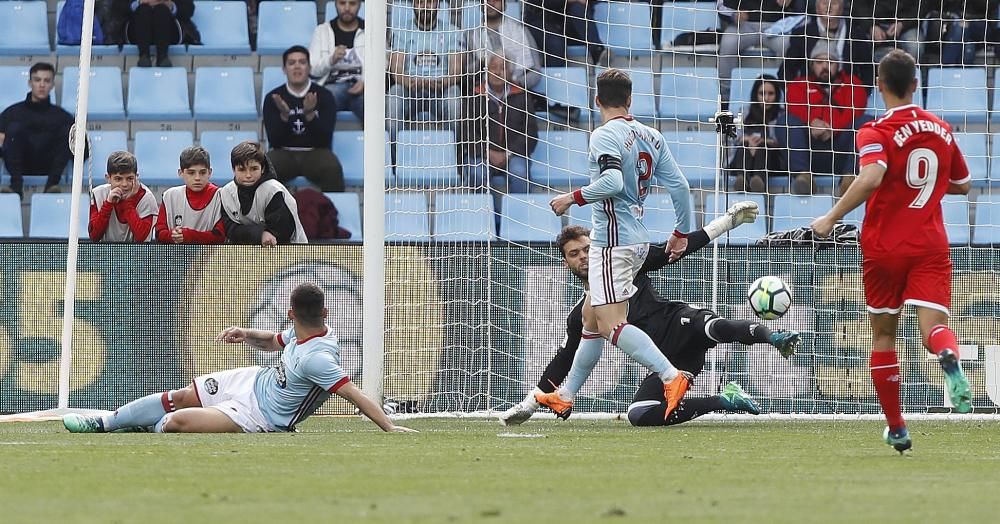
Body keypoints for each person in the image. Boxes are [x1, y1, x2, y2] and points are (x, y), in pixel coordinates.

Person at [811, 50, 973, 453]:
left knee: (884, 336)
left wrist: (830, 217)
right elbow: (963, 184)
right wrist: (929, 183)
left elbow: (873, 175)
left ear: (880, 85)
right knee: (931, 328)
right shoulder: (941, 129)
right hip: (930, 244)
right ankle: (948, 355)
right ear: (916, 85)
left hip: (883, 247)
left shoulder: (875, 130)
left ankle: (898, 428)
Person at [500, 219, 801, 426]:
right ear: (566, 263)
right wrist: (530, 403)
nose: (583, 257)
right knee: (639, 414)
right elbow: (563, 360)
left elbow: (676, 251)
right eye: (574, 254)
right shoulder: (584, 312)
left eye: (588, 249)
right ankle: (726, 399)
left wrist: (726, 223)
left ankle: (773, 337)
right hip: (671, 359)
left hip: (679, 322)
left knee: (712, 327)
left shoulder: (624, 266)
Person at [64, 283, 416, 434]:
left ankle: (142, 423)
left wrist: (388, 426)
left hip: (260, 415)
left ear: (291, 313)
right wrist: (245, 333)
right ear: (324, 311)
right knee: (180, 396)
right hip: (252, 380)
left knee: (173, 423)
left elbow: (355, 395)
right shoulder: (305, 332)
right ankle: (107, 423)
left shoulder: (318, 359)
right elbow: (273, 342)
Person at [545, 69, 694, 421]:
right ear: (630, 100)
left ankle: (671, 377)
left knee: (612, 325)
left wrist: (572, 198)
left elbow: (611, 180)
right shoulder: (651, 136)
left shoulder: (604, 135)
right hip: (637, 238)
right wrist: (681, 232)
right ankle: (565, 394)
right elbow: (681, 188)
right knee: (591, 318)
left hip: (613, 243)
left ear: (597, 101)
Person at [784, 41, 868, 195]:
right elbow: (795, 108)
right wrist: (812, 123)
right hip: (810, 149)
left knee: (866, 122)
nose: (824, 66)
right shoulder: (798, 85)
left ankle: (850, 178)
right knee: (785, 121)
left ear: (838, 65)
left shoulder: (853, 84)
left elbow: (855, 111)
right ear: (811, 65)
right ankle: (804, 176)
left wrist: (832, 129)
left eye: (830, 62)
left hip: (841, 150)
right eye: (819, 62)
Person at [263, 46, 345, 193]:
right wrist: (284, 116)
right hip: (284, 153)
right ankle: (267, 214)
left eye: (302, 62)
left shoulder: (324, 96)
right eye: (291, 63)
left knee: (332, 168)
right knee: (264, 168)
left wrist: (309, 115)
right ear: (284, 69)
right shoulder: (273, 97)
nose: (297, 67)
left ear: (309, 68)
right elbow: (274, 140)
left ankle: (331, 214)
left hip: (315, 153)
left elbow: (325, 139)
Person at [461, 54, 537, 201]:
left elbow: (531, 133)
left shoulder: (521, 96)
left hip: (513, 155)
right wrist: (487, 152)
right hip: (482, 154)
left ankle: (517, 219)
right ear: (486, 71)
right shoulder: (475, 95)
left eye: (502, 68)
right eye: (493, 68)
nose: (497, 72)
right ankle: (487, 219)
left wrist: (507, 154)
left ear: (510, 73)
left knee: (519, 173)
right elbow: (467, 132)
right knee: (477, 173)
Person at [0, 62, 80, 197]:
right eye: (37, 80)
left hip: (50, 166)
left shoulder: (62, 116)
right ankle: (16, 188)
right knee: (14, 129)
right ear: (30, 83)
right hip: (20, 164)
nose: (42, 85)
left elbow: (82, 150)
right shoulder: (11, 113)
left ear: (52, 85)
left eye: (47, 80)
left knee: (69, 131)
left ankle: (51, 187)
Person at [386, 0, 465, 136]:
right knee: (394, 93)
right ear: (414, 5)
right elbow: (396, 70)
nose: (425, 6)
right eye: (420, 2)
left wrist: (442, 82)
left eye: (430, 2)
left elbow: (456, 70)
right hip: (409, 91)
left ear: (438, 5)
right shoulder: (401, 30)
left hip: (442, 91)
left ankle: (454, 152)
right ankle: (395, 154)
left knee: (454, 96)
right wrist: (409, 82)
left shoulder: (453, 31)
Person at [219, 141, 308, 245]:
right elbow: (229, 228)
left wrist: (266, 233)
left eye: (254, 169)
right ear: (233, 170)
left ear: (262, 168)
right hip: (243, 251)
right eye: (242, 169)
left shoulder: (273, 191)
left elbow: (283, 231)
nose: (248, 175)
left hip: (285, 251)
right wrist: (260, 234)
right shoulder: (226, 193)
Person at [718, 0, 802, 103]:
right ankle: (726, 97)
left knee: (789, 45)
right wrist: (733, 14)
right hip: (743, 25)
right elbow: (721, 6)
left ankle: (787, 95)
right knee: (728, 42)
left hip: (777, 25)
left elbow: (806, 7)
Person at [779, 0, 874, 87]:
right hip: (810, 95)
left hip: (846, 96)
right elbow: (786, 70)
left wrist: (862, 95)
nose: (829, 7)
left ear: (842, 9)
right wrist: (795, 94)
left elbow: (867, 69)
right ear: (817, 8)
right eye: (824, 3)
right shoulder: (802, 34)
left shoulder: (856, 34)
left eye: (834, 3)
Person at [726, 74, 787, 193]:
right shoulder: (743, 112)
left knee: (763, 148)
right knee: (743, 147)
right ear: (755, 94)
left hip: (772, 162)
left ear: (777, 95)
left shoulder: (782, 115)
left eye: (771, 94)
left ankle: (758, 181)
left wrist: (765, 142)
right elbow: (732, 136)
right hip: (743, 156)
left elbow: (786, 143)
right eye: (762, 93)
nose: (766, 98)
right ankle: (741, 179)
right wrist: (747, 139)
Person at [154, 146, 225, 244]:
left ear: (210, 172)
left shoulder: (220, 196)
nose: (197, 178)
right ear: (180, 173)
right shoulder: (170, 196)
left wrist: (188, 235)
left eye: (202, 172)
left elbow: (220, 236)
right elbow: (159, 232)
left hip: (209, 257)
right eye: (191, 173)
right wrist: (172, 236)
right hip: (175, 257)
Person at [309, 0, 365, 124]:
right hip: (332, 86)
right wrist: (331, 60)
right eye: (342, 3)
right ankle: (322, 143)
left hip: (363, 88)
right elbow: (312, 70)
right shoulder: (322, 31)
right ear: (335, 4)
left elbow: (383, 63)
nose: (347, 8)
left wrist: (366, 82)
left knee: (373, 106)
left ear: (360, 5)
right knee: (323, 100)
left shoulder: (370, 30)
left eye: (352, 4)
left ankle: (376, 143)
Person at [465, 0, 541, 91]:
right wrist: (482, 62)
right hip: (485, 94)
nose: (491, 3)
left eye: (496, 0)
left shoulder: (521, 30)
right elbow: (466, 74)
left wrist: (516, 85)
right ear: (480, 5)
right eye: (486, 1)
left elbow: (536, 71)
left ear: (504, 4)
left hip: (517, 92)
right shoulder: (471, 36)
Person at [89, 151, 159, 242]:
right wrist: (108, 204)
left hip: (137, 254)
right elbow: (94, 236)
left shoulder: (146, 198)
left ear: (136, 177)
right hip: (105, 254)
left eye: (130, 178)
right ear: (108, 178)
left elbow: (142, 238)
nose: (124, 184)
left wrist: (127, 203)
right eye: (118, 179)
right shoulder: (98, 194)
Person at [111, 0, 199, 67]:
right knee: (143, 9)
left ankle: (163, 57)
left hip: (169, 30)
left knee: (161, 9)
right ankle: (144, 56)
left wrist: (171, 6)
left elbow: (189, 9)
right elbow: (117, 7)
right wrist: (139, 3)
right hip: (137, 30)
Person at [522, 0, 607, 67]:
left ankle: (598, 52)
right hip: (540, 19)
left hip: (568, 22)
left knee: (577, 8)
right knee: (556, 43)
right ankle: (555, 83)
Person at [849, 0, 923, 64]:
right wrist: (871, 25)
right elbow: (858, 4)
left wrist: (903, 23)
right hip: (871, 22)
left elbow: (922, 5)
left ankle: (906, 78)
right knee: (858, 47)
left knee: (915, 47)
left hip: (906, 23)